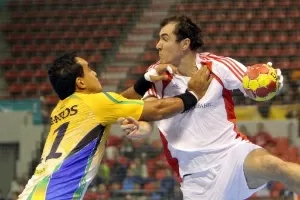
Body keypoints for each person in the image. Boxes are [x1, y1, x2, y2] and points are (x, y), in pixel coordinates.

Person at [118, 15, 300, 200]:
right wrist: (140, 128)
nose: (158, 45)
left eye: (164, 39)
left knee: (275, 166)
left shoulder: (218, 66)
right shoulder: (156, 75)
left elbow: (252, 85)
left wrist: (270, 84)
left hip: (232, 155)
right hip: (195, 177)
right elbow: (150, 114)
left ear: (184, 44)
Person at [18, 52, 211, 200]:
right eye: (88, 69)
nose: (94, 72)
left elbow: (118, 102)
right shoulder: (96, 103)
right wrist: (194, 94)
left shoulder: (61, 109)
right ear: (81, 82)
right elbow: (158, 109)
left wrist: (147, 79)